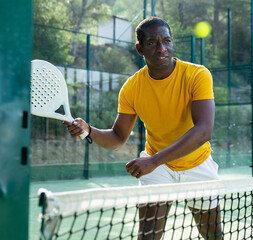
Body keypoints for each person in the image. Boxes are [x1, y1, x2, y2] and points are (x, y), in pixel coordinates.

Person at [64, 17, 223, 239]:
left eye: (166, 41)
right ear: (140, 48)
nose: (161, 48)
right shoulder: (131, 88)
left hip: (196, 163)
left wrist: (153, 161)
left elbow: (204, 130)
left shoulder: (197, 75)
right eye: (152, 43)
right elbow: (119, 137)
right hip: (157, 169)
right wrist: (89, 130)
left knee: (213, 234)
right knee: (147, 235)